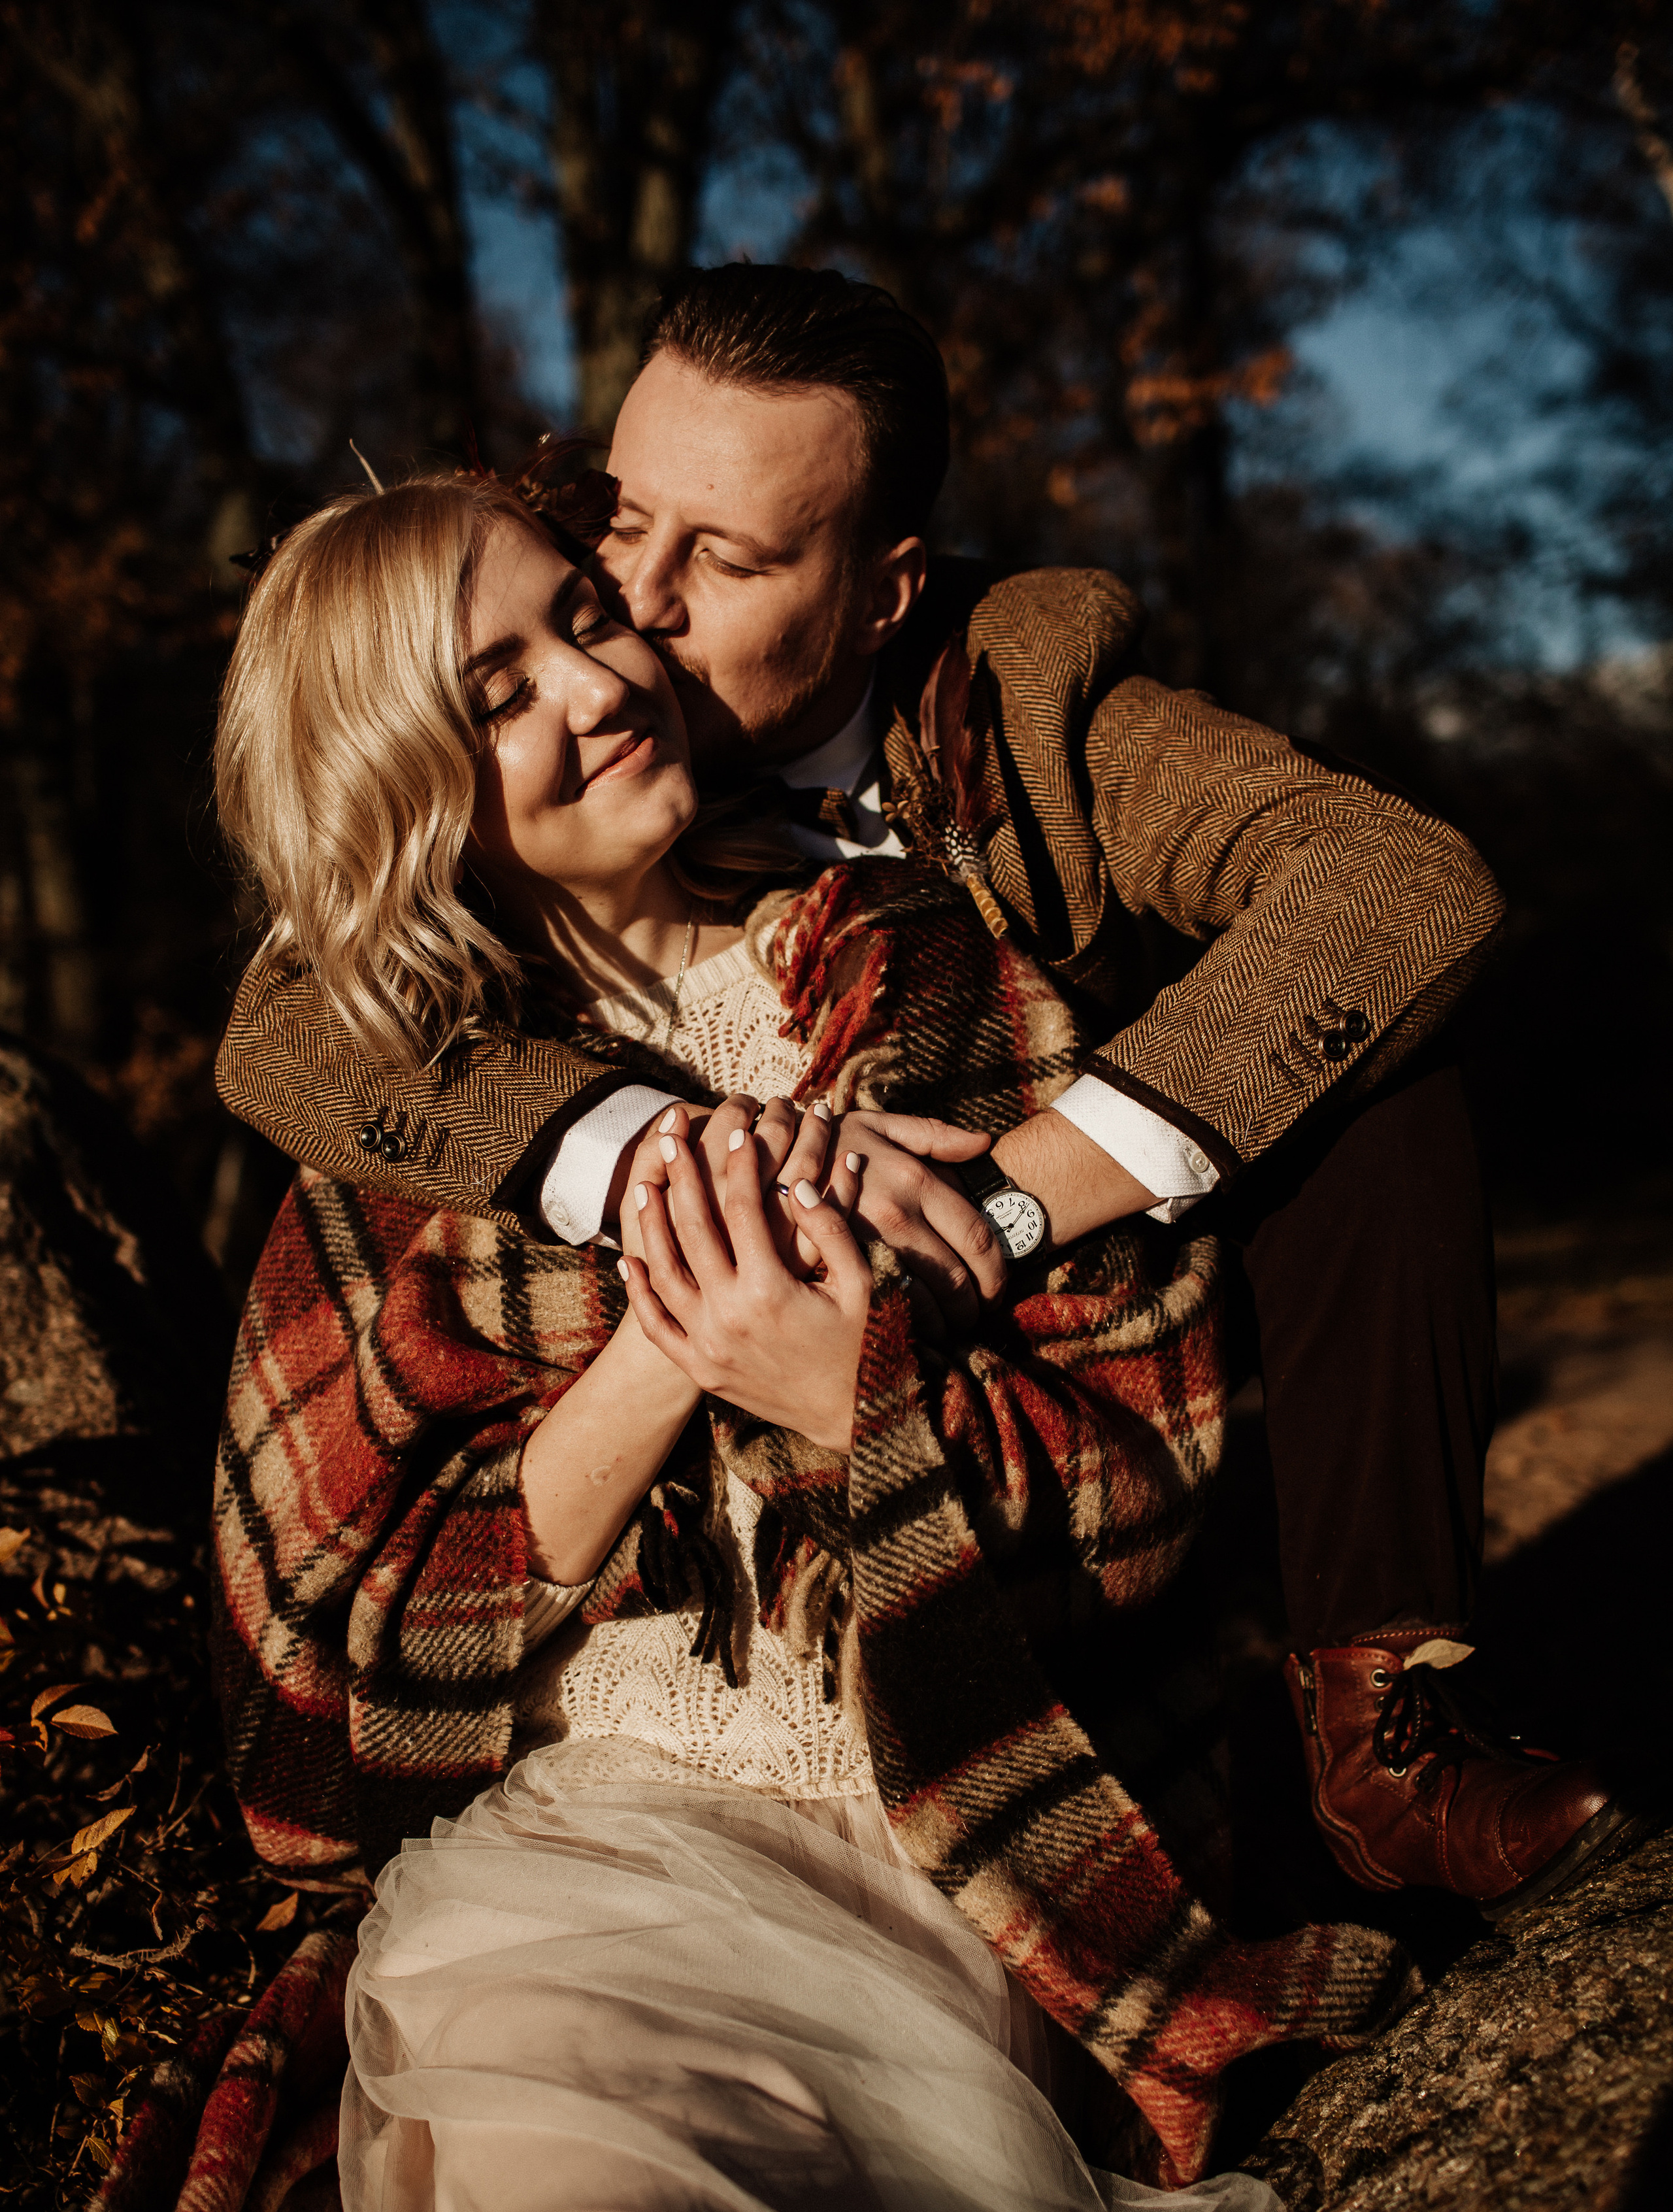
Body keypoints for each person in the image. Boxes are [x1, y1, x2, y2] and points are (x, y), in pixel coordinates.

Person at [209, 466, 1416, 2212]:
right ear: (412, 788)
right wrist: (668, 1357)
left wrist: (839, 1387)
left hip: (941, 1854)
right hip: (577, 1879)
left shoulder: (945, 991)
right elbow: (307, 1725)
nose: (597, 684)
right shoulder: (400, 1136)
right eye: (496, 692)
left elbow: (1148, 1498)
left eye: (585, 616)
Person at [216, 264, 1622, 1920]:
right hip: (725, 1481)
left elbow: (1398, 887)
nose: (639, 610)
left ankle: (1380, 1715)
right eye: (621, 526)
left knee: (1386, 1090)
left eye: (726, 560)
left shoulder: (1024, 707)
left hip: (1101, 1276)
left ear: (881, 594)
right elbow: (286, 1021)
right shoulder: (554, 685)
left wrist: (1003, 1196)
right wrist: (672, 1155)